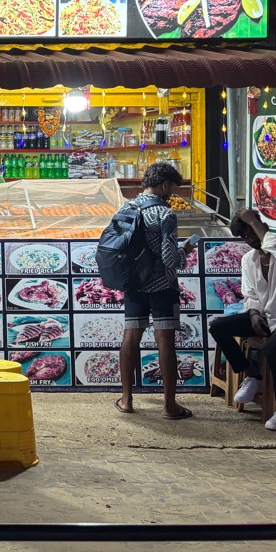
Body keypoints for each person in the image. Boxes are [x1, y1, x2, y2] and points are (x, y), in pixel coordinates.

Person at [210, 208, 276, 431]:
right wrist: (254, 313)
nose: (249, 240)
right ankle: (252, 374)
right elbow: (250, 294)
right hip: (268, 316)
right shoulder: (249, 259)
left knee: (273, 348)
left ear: (261, 226)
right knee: (219, 327)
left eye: (251, 233)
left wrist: (253, 222)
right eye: (244, 237)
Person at [112, 162, 196, 419]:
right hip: (162, 286)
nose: (174, 192)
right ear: (165, 185)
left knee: (131, 336)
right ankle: (169, 406)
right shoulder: (166, 214)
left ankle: (126, 400)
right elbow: (169, 258)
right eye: (174, 187)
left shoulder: (126, 207)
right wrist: (185, 252)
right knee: (165, 340)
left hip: (134, 283)